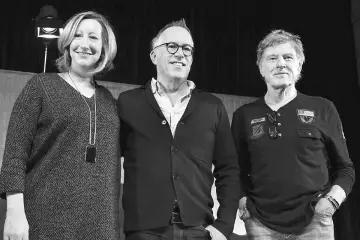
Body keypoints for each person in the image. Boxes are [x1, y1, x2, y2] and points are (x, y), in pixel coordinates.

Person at [0, 11, 121, 239]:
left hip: (100, 226)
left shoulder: (110, 103)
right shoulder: (41, 87)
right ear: (67, 43)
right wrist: (14, 213)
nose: (84, 44)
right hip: (43, 219)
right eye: (77, 35)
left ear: (105, 48)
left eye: (93, 38)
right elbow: (15, 155)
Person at [117, 19, 240, 240]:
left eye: (187, 49)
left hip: (197, 230)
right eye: (172, 46)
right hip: (143, 230)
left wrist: (224, 225)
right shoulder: (127, 103)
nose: (180, 54)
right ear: (154, 55)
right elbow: (108, 165)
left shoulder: (212, 107)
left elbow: (229, 169)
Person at [231, 29, 355, 239]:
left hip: (315, 223)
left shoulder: (323, 108)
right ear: (261, 67)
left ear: (299, 65)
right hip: (260, 225)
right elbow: (234, 169)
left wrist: (331, 202)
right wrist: (243, 202)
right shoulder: (244, 115)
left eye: (288, 57)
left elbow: (345, 169)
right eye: (272, 58)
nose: (281, 63)